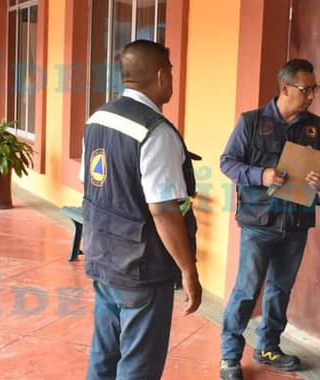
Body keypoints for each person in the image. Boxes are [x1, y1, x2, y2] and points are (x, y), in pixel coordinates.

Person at [80, 39, 202, 380]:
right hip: (142, 269)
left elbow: (90, 184)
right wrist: (188, 271)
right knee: (139, 365)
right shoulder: (156, 132)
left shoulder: (97, 118)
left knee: (105, 353)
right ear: (162, 76)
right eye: (172, 72)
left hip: (102, 256)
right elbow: (163, 211)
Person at [218, 59, 320, 380]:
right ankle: (230, 355)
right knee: (247, 290)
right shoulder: (252, 122)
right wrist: (262, 175)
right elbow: (228, 163)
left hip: (297, 223)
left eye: (314, 88)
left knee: (280, 289)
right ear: (285, 88)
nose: (312, 95)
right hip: (258, 222)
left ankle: (268, 347)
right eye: (306, 89)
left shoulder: (316, 127)